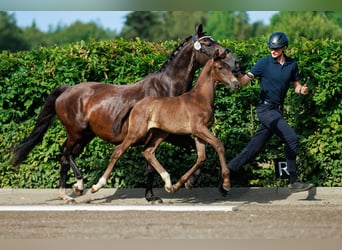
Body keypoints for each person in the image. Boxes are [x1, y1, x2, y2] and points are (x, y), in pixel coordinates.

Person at [227, 32, 314, 193]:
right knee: (292, 138)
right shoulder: (263, 63)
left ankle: (226, 172)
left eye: (276, 48)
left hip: (277, 111)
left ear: (284, 48)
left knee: (253, 149)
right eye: (271, 48)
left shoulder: (292, 64)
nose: (272, 51)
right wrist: (237, 74)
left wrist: (302, 90)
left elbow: (296, 85)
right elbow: (244, 81)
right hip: (265, 109)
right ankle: (293, 181)